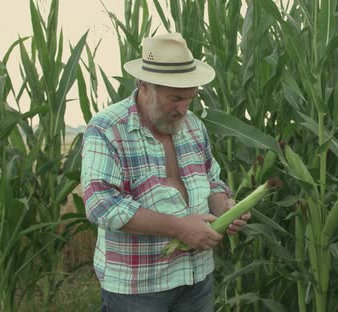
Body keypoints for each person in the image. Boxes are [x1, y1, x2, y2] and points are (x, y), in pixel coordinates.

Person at [81, 32, 250, 312]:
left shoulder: (193, 125)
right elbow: (101, 205)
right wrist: (180, 228)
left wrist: (226, 209)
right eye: (174, 98)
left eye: (190, 98)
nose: (183, 108)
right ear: (144, 85)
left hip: (197, 279)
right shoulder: (107, 128)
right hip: (138, 289)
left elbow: (212, 181)